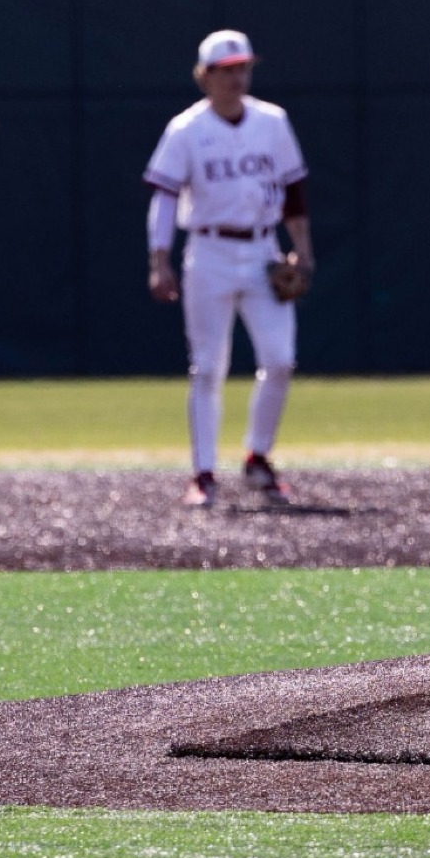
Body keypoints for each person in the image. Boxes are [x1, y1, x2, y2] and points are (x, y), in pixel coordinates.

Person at [143, 30, 315, 508]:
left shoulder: (272, 121)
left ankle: (257, 458)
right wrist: (159, 259)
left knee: (280, 359)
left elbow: (293, 188)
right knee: (207, 368)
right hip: (209, 252)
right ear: (206, 76)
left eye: (243, 68)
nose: (237, 77)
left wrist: (302, 247)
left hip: (263, 251)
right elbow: (163, 199)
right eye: (227, 70)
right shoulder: (186, 130)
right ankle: (203, 472)